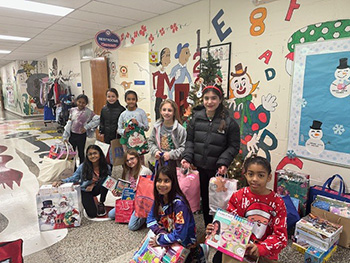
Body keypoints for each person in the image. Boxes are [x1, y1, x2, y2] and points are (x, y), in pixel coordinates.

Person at [207, 155, 288, 263]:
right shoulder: (238, 196)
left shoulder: (278, 203)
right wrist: (216, 229)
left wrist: (261, 248)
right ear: (245, 174)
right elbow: (229, 225)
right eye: (250, 174)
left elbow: (280, 237)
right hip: (238, 248)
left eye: (260, 175)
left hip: (265, 253)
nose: (254, 179)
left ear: (269, 177)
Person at [181, 85, 240, 226]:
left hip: (216, 170)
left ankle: (219, 228)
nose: (209, 102)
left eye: (214, 98)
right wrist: (187, 157)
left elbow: (234, 146)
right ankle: (208, 228)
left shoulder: (229, 122)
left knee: (217, 201)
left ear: (220, 100)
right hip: (198, 168)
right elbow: (189, 141)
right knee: (204, 200)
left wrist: (223, 162)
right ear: (202, 99)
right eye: (206, 98)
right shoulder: (196, 119)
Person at [147, 165, 206, 263]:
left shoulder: (179, 204)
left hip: (185, 243)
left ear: (173, 182)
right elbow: (150, 219)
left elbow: (180, 235)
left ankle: (199, 252)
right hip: (169, 236)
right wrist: (160, 232)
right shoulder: (159, 198)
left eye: (166, 181)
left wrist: (160, 240)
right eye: (159, 180)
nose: (162, 184)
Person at [53, 145, 111, 218]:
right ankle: (91, 201)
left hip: (98, 188)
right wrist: (62, 181)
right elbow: (74, 178)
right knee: (92, 214)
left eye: (95, 153)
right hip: (86, 190)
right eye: (90, 154)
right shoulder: (83, 167)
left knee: (106, 181)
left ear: (100, 154)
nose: (93, 156)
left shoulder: (106, 167)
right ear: (87, 156)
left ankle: (101, 203)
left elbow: (109, 181)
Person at [108, 149, 152, 231]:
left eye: (132, 158)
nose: (130, 162)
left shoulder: (144, 171)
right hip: (130, 200)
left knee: (132, 226)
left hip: (142, 202)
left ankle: (146, 216)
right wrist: (118, 193)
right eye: (127, 160)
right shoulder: (128, 172)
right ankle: (132, 213)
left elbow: (147, 192)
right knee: (111, 215)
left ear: (137, 158)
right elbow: (126, 191)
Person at [62, 94, 99, 165]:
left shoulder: (89, 112)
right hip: (72, 135)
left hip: (81, 135)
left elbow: (97, 119)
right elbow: (69, 124)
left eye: (83, 103)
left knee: (81, 152)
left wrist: (87, 127)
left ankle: (82, 168)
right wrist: (65, 136)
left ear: (86, 103)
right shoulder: (72, 110)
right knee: (71, 153)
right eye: (79, 102)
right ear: (76, 101)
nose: (81, 104)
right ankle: (73, 168)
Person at [149, 99, 186, 167]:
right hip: (159, 162)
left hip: (175, 164)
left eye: (169, 110)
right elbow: (151, 142)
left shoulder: (180, 129)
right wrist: (155, 151)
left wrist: (170, 155)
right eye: (164, 110)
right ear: (160, 111)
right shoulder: (156, 127)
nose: (166, 113)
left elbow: (183, 148)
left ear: (174, 112)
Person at [117, 90, 149, 163]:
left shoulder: (141, 112)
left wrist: (138, 124)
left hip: (138, 141)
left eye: (133, 99)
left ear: (136, 100)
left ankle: (141, 174)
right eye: (129, 99)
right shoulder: (123, 114)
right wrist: (124, 131)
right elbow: (118, 129)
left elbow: (146, 128)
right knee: (129, 161)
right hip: (127, 142)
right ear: (125, 100)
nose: (131, 101)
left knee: (140, 162)